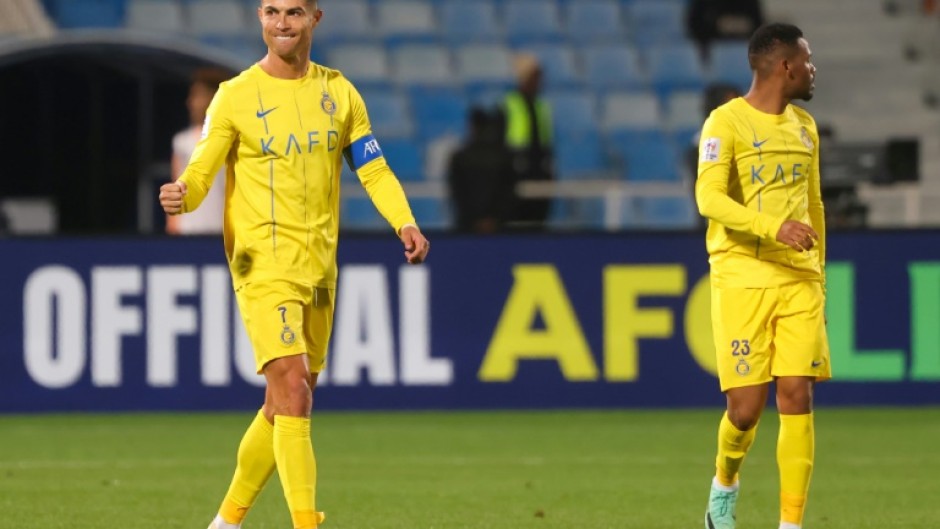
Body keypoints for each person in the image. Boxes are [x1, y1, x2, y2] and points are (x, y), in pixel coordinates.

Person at [158, 1, 430, 528]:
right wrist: (182, 195)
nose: (281, 22)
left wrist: (405, 222)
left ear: (315, 20)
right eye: (271, 11)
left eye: (294, 12)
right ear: (260, 19)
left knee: (283, 402)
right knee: (295, 388)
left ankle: (225, 521)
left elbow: (373, 170)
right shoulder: (235, 95)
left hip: (319, 266)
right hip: (261, 261)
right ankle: (307, 523)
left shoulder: (340, 93)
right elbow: (202, 170)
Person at [694, 23, 829, 529]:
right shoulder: (724, 123)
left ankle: (791, 525)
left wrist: (820, 274)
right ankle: (723, 487)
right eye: (808, 60)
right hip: (743, 276)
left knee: (797, 393)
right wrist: (775, 227)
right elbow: (708, 199)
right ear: (785, 66)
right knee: (746, 411)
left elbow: (814, 205)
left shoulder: (805, 127)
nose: (814, 69)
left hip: (799, 280)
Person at [166, 68, 231, 235]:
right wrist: (173, 223)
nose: (190, 102)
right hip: (188, 230)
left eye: (197, 96)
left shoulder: (232, 139)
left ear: (212, 98)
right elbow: (175, 183)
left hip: (222, 229)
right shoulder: (181, 141)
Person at [502, 53, 554, 230]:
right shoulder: (509, 103)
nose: (538, 81)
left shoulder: (541, 105)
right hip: (514, 176)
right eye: (534, 76)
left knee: (537, 224)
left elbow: (546, 141)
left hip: (539, 175)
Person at [447, 107, 515, 233]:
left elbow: (458, 193)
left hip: (468, 227)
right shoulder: (504, 157)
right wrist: (494, 218)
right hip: (497, 227)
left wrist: (475, 219)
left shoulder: (460, 157)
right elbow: (507, 192)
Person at [687, 0, 765, 61]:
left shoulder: (750, 2)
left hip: (744, 55)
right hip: (713, 55)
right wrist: (716, 27)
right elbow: (694, 26)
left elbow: (759, 27)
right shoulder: (704, 3)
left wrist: (740, 26)